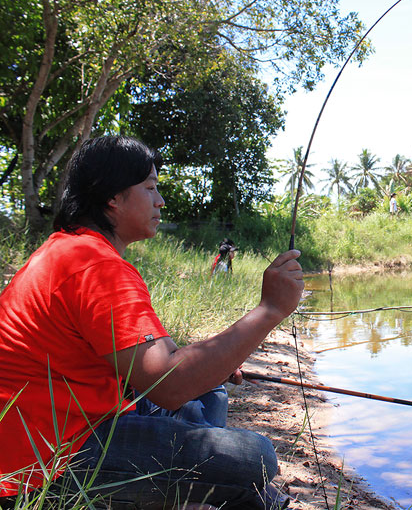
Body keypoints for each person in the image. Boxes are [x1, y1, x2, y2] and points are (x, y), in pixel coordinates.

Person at [0, 136, 303, 509]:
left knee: (210, 392)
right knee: (255, 457)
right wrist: (270, 310)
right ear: (113, 197)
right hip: (45, 463)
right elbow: (169, 385)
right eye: (150, 188)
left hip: (58, 428)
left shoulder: (67, 250)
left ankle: (190, 494)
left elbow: (147, 365)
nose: (160, 201)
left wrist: (213, 366)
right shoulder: (96, 266)